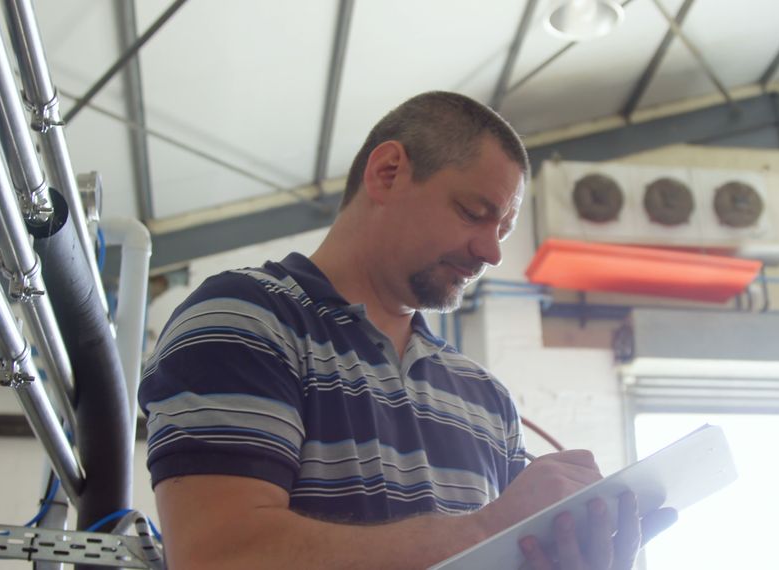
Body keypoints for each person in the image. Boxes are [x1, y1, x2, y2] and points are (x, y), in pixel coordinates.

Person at [138, 91, 676, 569]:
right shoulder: (246, 321)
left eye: (504, 229)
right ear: (388, 172)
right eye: (473, 211)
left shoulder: (485, 400)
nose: (491, 251)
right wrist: (485, 529)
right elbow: (221, 555)